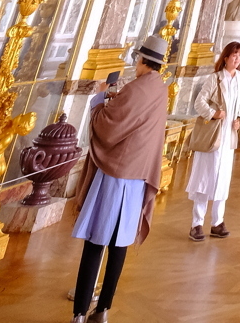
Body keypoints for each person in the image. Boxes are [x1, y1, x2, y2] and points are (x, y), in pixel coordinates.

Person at [70, 34, 169, 323]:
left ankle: (79, 313)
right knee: (119, 244)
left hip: (116, 176)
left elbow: (108, 128)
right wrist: (118, 99)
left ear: (140, 59)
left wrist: (101, 97)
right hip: (138, 177)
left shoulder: (136, 89)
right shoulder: (159, 89)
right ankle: (103, 311)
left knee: (95, 240)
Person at [186, 41, 240, 240]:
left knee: (223, 180)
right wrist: (213, 114)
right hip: (213, 137)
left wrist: (238, 118)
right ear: (226, 57)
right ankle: (196, 224)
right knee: (205, 178)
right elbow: (199, 102)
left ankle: (217, 222)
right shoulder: (215, 79)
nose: (237, 59)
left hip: (228, 137)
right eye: (234, 55)